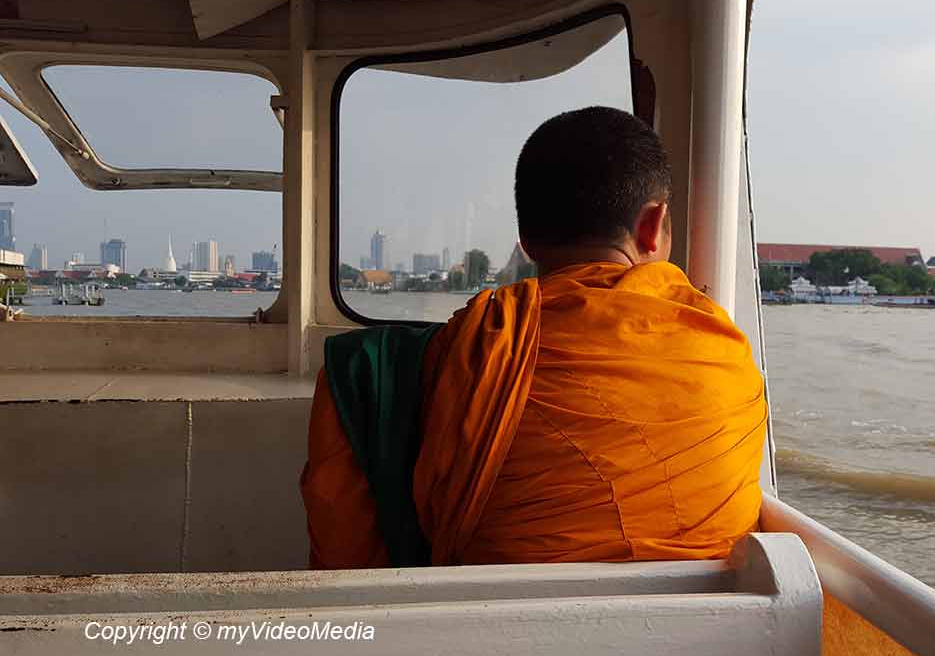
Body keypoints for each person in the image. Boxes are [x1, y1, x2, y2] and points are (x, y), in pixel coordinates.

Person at [302, 106, 768, 568]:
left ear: (525, 239)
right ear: (652, 226)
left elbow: (347, 548)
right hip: (702, 635)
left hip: (481, 626)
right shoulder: (723, 348)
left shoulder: (467, 352)